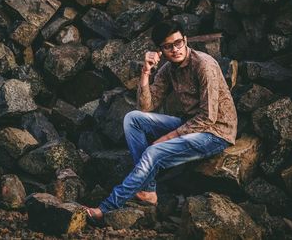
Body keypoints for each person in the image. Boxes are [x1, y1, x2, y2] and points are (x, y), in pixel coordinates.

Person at [86, 20, 237, 221]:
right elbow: (145, 107)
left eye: (178, 43)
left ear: (185, 40)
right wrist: (146, 72)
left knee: (153, 152)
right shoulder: (168, 69)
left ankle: (106, 208)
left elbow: (208, 117)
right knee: (133, 118)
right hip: (190, 124)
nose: (175, 50)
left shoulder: (204, 65)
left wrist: (167, 137)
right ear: (161, 50)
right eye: (168, 46)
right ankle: (148, 190)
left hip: (216, 133)